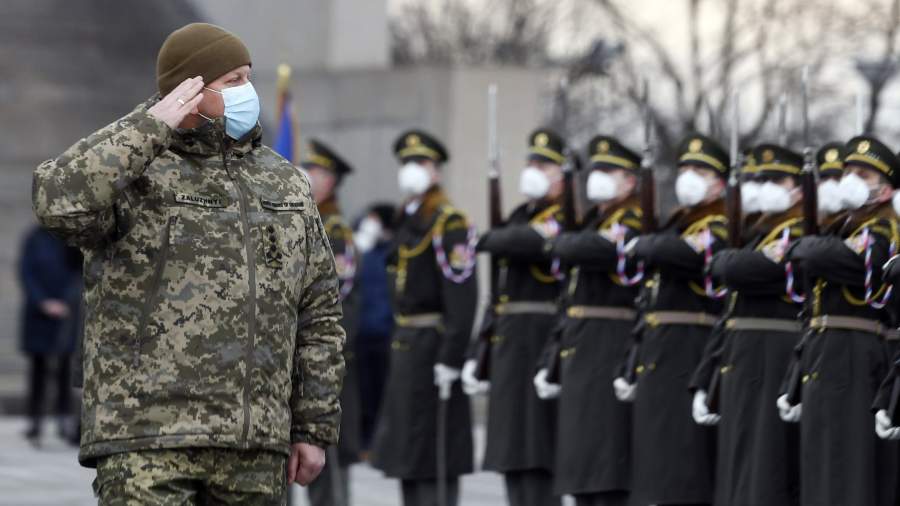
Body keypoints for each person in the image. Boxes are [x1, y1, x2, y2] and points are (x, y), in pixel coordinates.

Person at [31, 22, 345, 504]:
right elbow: (58, 201)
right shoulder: (137, 172)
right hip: (148, 439)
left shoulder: (284, 182)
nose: (248, 92)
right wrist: (149, 127)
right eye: (233, 81)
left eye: (248, 77)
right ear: (189, 91)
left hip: (253, 442)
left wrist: (314, 425)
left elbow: (318, 309)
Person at [782, 135, 898, 506]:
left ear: (885, 191)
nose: (850, 179)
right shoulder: (845, 230)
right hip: (825, 355)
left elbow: (823, 258)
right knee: (820, 467)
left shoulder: (881, 231)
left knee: (846, 469)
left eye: (863, 174)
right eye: (848, 171)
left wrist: (803, 248)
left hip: (853, 357)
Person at [614, 133, 730, 506]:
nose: (688, 177)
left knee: (683, 460)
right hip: (659, 347)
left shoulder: (721, 223)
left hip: (689, 347)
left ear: (720, 182)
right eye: (684, 169)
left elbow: (681, 253)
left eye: (699, 170)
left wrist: (644, 245)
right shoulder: (679, 221)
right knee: (655, 460)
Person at [694, 144, 806, 506]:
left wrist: (730, 260)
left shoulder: (799, 230)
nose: (764, 185)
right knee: (738, 466)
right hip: (741, 357)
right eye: (760, 178)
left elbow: (737, 268)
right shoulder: (759, 232)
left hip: (772, 356)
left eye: (776, 178)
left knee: (766, 468)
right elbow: (728, 302)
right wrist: (705, 375)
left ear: (800, 187)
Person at [371, 130, 478, 506]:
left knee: (434, 456)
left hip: (434, 348)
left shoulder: (449, 223)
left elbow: (463, 298)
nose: (412, 170)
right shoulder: (408, 219)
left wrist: (452, 357)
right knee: (408, 457)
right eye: (407, 163)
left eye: (421, 163)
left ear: (437, 171)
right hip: (407, 347)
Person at [535, 135, 643, 506]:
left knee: (605, 456)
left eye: (608, 171)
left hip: (609, 340)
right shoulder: (595, 219)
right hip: (582, 341)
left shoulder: (632, 217)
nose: (598, 177)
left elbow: (594, 249)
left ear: (630, 180)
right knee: (581, 457)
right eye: (595, 170)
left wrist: (562, 243)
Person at [464, 128, 566, 506]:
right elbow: (500, 290)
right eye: (531, 162)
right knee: (512, 451)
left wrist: (491, 238)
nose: (534, 170)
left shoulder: (563, 216)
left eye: (544, 164)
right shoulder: (522, 215)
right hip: (510, 340)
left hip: (540, 338)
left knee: (538, 450)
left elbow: (519, 243)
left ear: (561, 174)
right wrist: (481, 350)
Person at [301, 139, 360, 506]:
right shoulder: (304, 220)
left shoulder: (334, 231)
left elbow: (339, 300)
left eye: (317, 172)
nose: (308, 177)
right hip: (294, 359)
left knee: (328, 476)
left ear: (332, 181)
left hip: (324, 362)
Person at [17, 224, 83, 446]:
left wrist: (65, 301)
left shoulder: (69, 237)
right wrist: (43, 302)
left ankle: (64, 419)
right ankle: (35, 421)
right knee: (38, 368)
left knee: (64, 367)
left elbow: (77, 271)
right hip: (38, 313)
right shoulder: (34, 237)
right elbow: (26, 271)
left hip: (65, 313)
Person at [354, 202, 396, 453]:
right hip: (362, 332)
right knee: (364, 392)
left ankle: (380, 444)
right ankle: (366, 443)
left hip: (385, 333)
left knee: (382, 392)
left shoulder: (390, 252)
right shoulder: (363, 251)